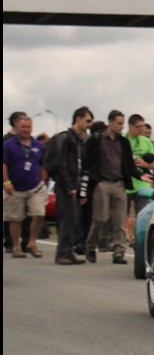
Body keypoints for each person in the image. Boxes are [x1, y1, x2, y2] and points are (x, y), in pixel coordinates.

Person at [81, 110, 135, 264]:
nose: (121, 127)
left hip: (119, 183)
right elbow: (87, 161)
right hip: (102, 183)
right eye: (118, 123)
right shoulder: (97, 140)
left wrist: (138, 175)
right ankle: (91, 246)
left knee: (119, 220)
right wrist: (93, 179)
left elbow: (129, 164)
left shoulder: (123, 142)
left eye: (122, 124)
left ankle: (119, 252)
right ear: (110, 123)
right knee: (100, 218)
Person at [43, 107, 91, 265]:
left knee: (74, 219)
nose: (89, 124)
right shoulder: (65, 138)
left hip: (74, 185)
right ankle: (62, 253)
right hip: (65, 186)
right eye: (87, 121)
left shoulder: (77, 140)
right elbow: (61, 163)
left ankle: (68, 251)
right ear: (78, 118)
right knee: (67, 219)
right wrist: (69, 185)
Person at [2, 112, 49, 258]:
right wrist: (6, 182)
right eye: (23, 127)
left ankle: (31, 242)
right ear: (16, 126)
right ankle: (16, 246)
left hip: (35, 187)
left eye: (28, 127)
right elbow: (4, 164)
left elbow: (44, 164)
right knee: (16, 218)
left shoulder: (37, 145)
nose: (26, 130)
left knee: (39, 214)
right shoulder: (9, 144)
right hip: (15, 187)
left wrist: (42, 181)